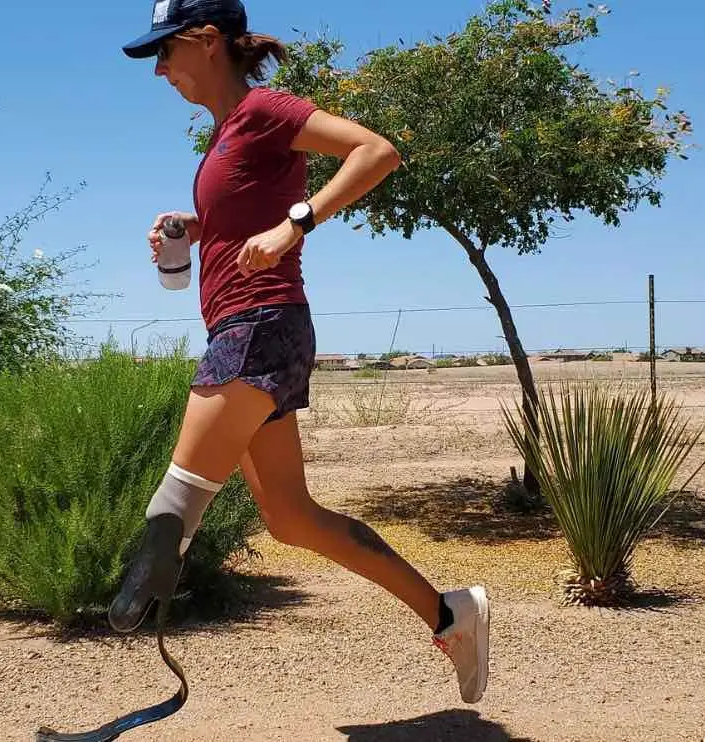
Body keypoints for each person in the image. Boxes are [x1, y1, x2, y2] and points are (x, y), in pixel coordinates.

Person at [109, 0, 490, 704]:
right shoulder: (224, 137)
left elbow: (376, 150)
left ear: (208, 40)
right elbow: (241, 214)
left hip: (260, 326)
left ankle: (127, 624)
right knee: (291, 519)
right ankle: (449, 612)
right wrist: (196, 227)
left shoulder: (266, 109)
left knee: (173, 511)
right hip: (248, 328)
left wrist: (298, 224)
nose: (159, 69)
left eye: (166, 51)